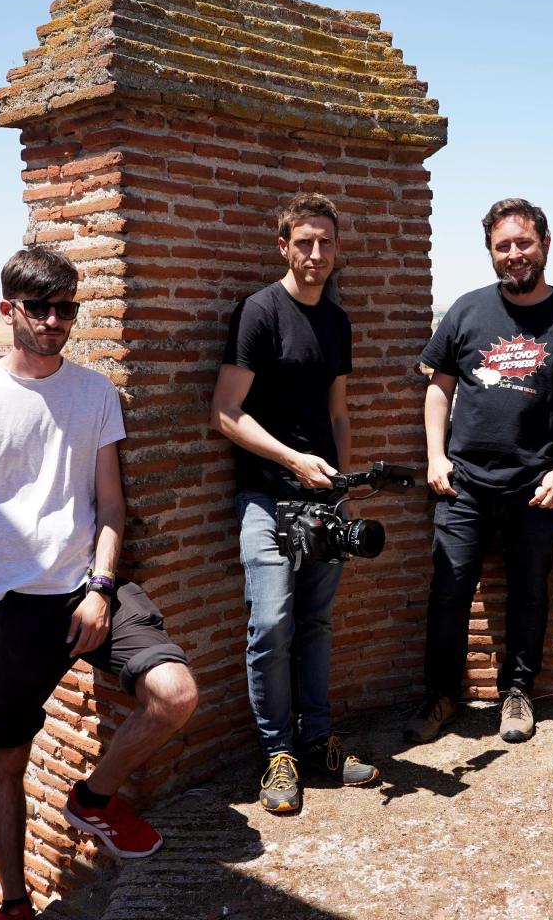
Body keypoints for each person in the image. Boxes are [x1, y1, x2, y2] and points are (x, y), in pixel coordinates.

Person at [0, 248, 199, 920]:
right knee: (7, 760)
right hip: (5, 604)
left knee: (175, 693)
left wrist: (102, 587)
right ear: (7, 309)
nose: (53, 320)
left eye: (65, 308)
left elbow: (111, 506)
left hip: (86, 587)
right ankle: (14, 902)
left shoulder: (94, 393)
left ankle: (93, 799)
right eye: (39, 307)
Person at [405, 198, 553, 745]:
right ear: (491, 253)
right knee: (448, 592)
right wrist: (435, 455)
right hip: (464, 483)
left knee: (529, 591)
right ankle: (441, 694)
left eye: (524, 243)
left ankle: (518, 692)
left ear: (544, 244)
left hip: (536, 486)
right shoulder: (467, 312)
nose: (514, 254)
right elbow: (438, 389)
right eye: (504, 246)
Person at [210, 193, 378, 815]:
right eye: (303, 243)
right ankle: (277, 753)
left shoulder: (336, 321)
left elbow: (338, 413)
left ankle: (317, 742)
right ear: (283, 246)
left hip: (322, 500)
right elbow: (226, 413)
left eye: (325, 243)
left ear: (337, 249)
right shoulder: (259, 313)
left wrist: (342, 488)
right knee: (271, 625)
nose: (315, 254)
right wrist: (292, 461)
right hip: (267, 498)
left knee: (316, 624)